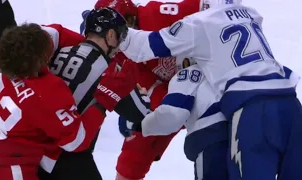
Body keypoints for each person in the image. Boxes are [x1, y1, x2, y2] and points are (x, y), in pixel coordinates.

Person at [119, 0, 302, 179]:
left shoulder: (198, 29)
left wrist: (140, 125)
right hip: (289, 100)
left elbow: (172, 114)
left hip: (245, 114)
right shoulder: (250, 13)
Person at [0, 22, 136, 180]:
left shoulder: (7, 68)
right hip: (12, 171)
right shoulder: (47, 90)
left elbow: (55, 33)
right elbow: (76, 141)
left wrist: (93, 46)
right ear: (38, 58)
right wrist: (105, 99)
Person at [92, 0, 203, 179]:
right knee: (137, 142)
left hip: (211, 77)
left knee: (218, 146)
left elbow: (210, 6)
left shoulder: (157, 14)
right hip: (173, 89)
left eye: (123, 23)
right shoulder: (119, 54)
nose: (118, 37)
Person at [38, 7, 151, 180]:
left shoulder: (56, 51)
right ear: (111, 35)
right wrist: (143, 94)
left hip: (34, 150)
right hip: (69, 157)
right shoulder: (110, 70)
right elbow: (140, 113)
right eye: (120, 37)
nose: (120, 46)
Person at [132, 64, 228, 180]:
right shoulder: (228, 66)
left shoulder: (190, 72)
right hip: (245, 129)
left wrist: (143, 124)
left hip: (213, 136)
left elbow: (173, 114)